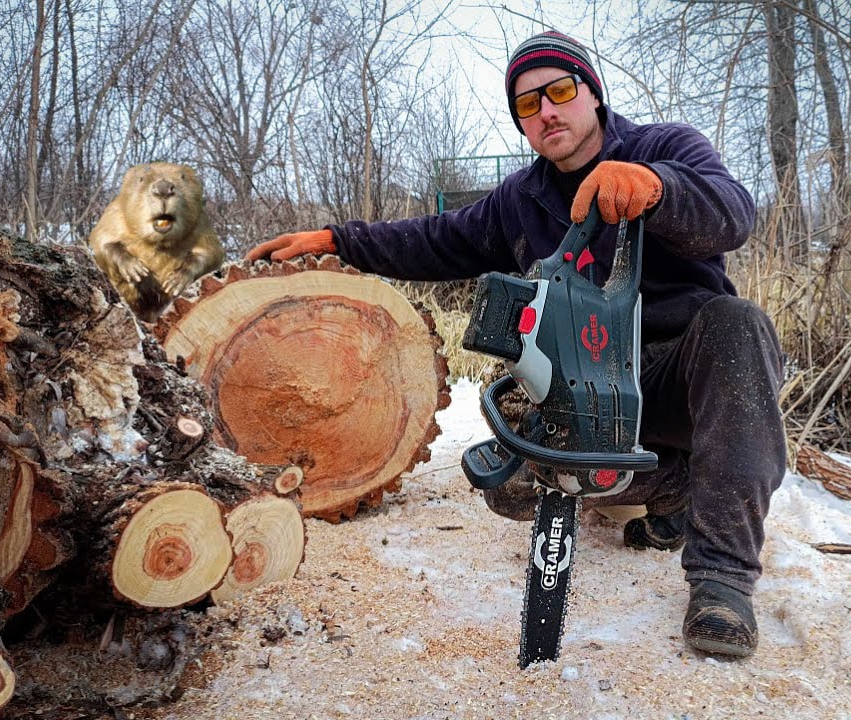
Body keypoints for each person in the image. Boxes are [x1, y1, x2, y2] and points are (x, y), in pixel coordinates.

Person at [246, 30, 786, 659]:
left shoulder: (664, 145)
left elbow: (734, 212)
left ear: (592, 93)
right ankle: (675, 486)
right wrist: (339, 240)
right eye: (528, 106)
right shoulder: (519, 200)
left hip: (677, 377)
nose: (547, 112)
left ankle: (722, 579)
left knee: (738, 322)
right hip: (590, 387)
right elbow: (434, 239)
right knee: (510, 486)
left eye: (559, 91)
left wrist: (657, 187)